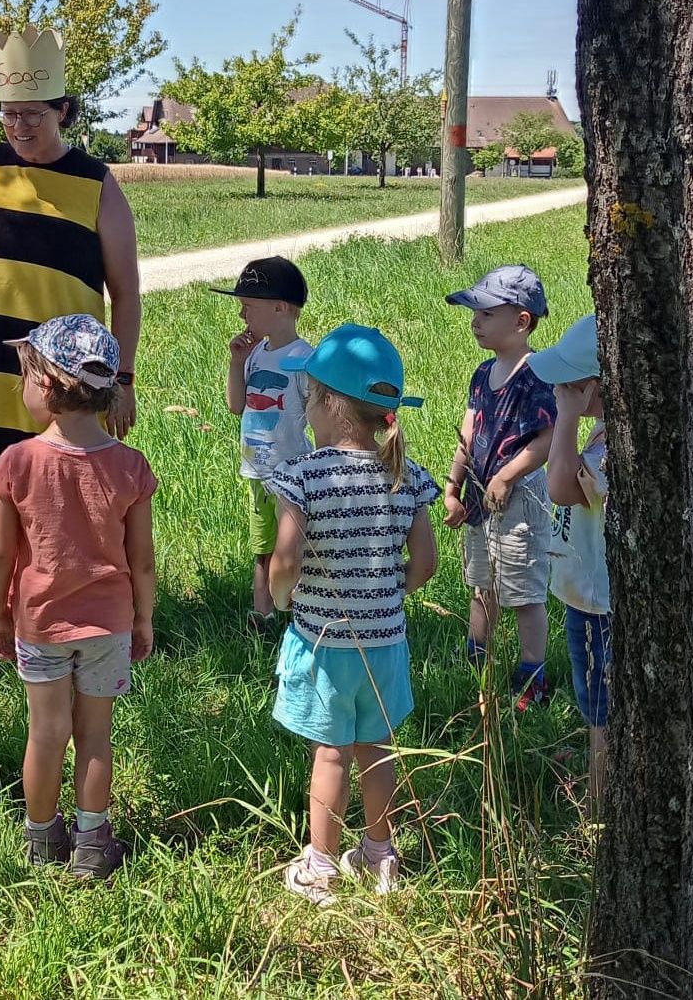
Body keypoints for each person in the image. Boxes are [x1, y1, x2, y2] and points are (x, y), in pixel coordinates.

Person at [0, 26, 141, 650]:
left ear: (63, 111)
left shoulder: (97, 183)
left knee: (57, 494)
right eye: (9, 115)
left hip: (61, 372)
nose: (19, 126)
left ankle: (48, 618)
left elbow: (126, 289)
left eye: (32, 115)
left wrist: (121, 380)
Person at [267, 324, 440, 906]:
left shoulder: (306, 476)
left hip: (324, 642)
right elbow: (426, 561)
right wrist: (391, 594)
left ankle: (319, 866)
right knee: (378, 747)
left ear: (329, 405)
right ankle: (378, 854)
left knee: (332, 751)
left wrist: (283, 596)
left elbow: (286, 559)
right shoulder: (405, 476)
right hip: (384, 642)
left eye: (308, 399)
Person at [0, 314, 156, 879]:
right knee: (95, 734)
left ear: (50, 386)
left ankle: (41, 839)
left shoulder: (18, 463)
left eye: (26, 376)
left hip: (39, 622)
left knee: (46, 732)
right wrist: (145, 620)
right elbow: (143, 560)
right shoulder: (130, 466)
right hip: (109, 624)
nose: (22, 387)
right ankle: (91, 844)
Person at [442, 266, 557, 709]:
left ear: (522, 321)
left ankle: (533, 674)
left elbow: (548, 436)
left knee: (523, 590)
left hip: (520, 500)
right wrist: (454, 486)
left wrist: (508, 475)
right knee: (480, 582)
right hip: (479, 494)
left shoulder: (537, 375)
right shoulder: (481, 374)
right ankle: (477, 653)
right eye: (475, 313)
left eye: (487, 314)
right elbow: (468, 432)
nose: (476, 322)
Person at [530, 315, 611, 808]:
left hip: (598, 604)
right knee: (593, 700)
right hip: (585, 595)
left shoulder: (607, 451)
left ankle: (600, 804)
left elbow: (560, 487)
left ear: (593, 390)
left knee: (601, 709)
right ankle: (599, 770)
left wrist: (564, 419)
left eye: (568, 386)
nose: (558, 392)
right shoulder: (603, 431)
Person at [213, 256, 313, 631]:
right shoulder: (254, 353)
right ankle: (262, 617)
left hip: (291, 474)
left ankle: (297, 615)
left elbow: (317, 419)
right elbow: (236, 406)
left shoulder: (305, 360)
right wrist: (236, 362)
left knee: (294, 549)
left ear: (281, 307)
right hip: (256, 471)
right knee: (262, 548)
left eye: (248, 306)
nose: (242, 315)